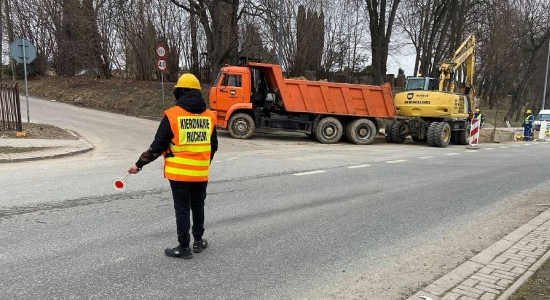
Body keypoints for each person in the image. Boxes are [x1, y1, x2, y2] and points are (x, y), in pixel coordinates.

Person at [128, 73, 218, 259]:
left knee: (183, 209)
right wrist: (203, 162)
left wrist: (139, 165)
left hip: (179, 174)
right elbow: (213, 145)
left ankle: (184, 247)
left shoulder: (173, 115)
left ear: (180, 92)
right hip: (201, 172)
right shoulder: (209, 116)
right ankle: (199, 242)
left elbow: (157, 146)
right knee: (198, 205)